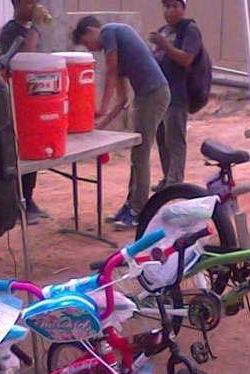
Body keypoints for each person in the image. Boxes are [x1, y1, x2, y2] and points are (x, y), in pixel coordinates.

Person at [73, 16, 170, 230]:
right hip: (147, 96)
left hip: (154, 94)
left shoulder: (109, 31)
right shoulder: (119, 48)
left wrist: (101, 106)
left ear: (91, 30)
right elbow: (123, 100)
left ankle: (138, 211)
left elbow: (110, 70)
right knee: (137, 153)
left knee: (140, 153)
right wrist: (100, 124)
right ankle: (131, 204)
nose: (91, 49)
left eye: (87, 43)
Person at [0, 0, 51, 225]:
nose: (34, 6)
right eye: (29, 2)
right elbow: (24, 59)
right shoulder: (11, 31)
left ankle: (29, 199)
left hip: (34, 100)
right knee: (19, 153)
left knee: (33, 148)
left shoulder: (33, 30)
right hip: (16, 100)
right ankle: (16, 203)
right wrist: (33, 31)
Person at [150, 0, 203, 191]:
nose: (170, 11)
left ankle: (175, 183)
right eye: (167, 6)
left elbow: (187, 59)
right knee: (162, 139)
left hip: (178, 94)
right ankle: (168, 179)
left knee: (175, 140)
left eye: (175, 6)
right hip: (160, 95)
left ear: (183, 8)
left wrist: (165, 45)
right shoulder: (163, 30)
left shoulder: (190, 30)